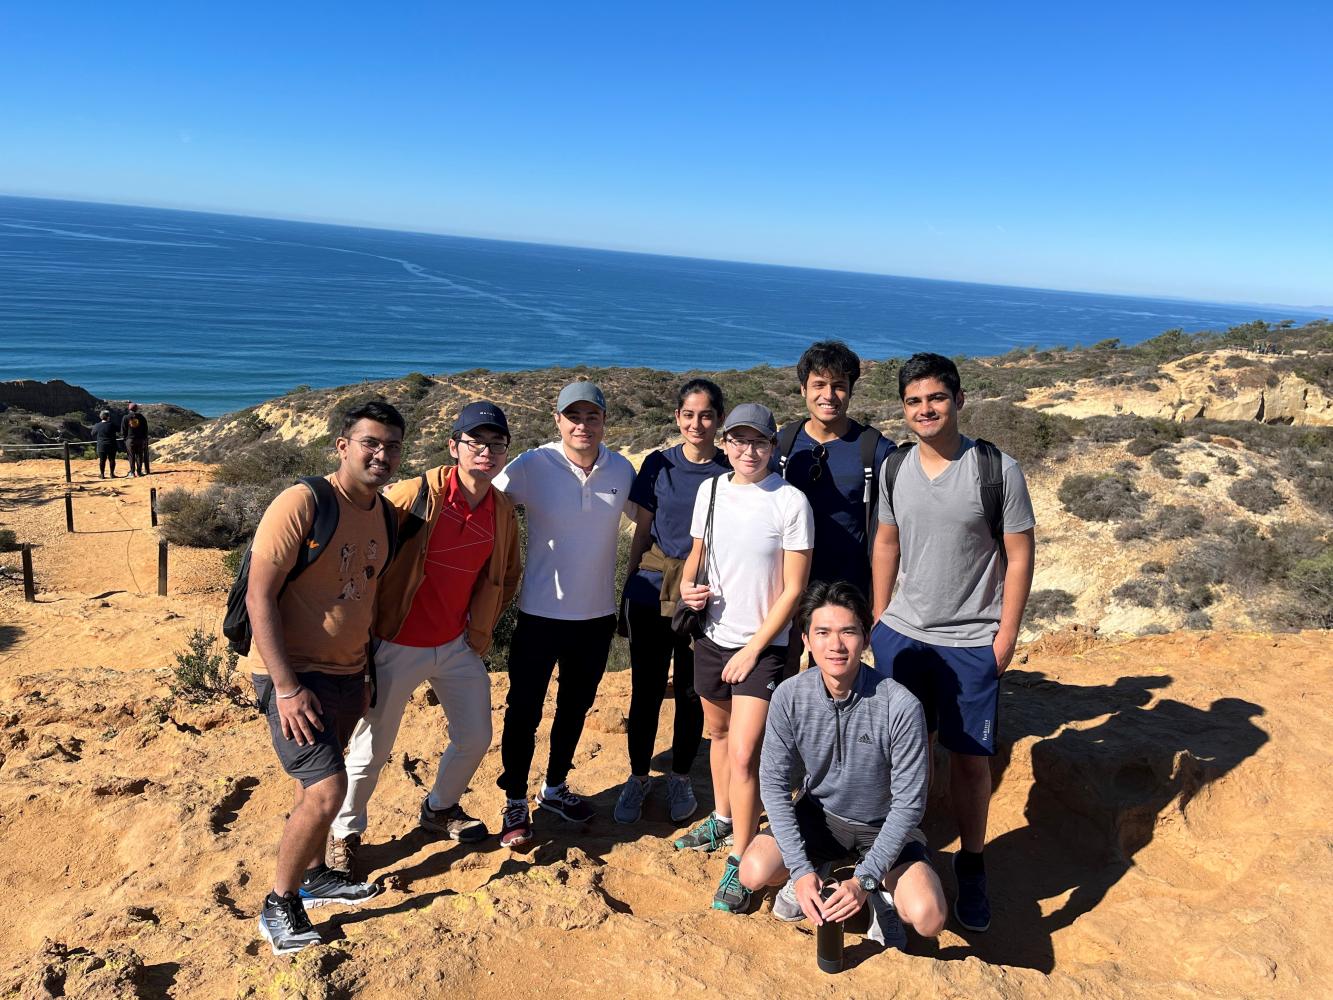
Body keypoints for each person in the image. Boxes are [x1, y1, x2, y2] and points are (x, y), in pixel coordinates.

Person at [869, 352, 1036, 934]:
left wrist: (1006, 635)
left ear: (959, 400)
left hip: (972, 642)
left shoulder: (996, 469)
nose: (925, 409)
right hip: (903, 639)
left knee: (970, 764)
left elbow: (1019, 556)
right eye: (913, 401)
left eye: (935, 398)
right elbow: (886, 544)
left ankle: (971, 864)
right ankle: (902, 856)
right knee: (901, 756)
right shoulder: (894, 468)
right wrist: (878, 620)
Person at [327, 401, 522, 875]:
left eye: (497, 445)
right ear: (454, 446)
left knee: (475, 737)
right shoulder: (417, 494)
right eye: (476, 442)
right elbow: (361, 539)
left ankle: (438, 809)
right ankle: (343, 832)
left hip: (457, 644)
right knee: (372, 747)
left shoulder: (500, 510)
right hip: (396, 641)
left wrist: (482, 629)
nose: (487, 453)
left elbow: (508, 574)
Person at [248, 400, 406, 955]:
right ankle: (278, 903)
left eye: (391, 446)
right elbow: (259, 595)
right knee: (327, 790)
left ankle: (314, 876)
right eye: (371, 443)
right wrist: (287, 688)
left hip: (345, 672)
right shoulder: (304, 501)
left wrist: (362, 672)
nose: (381, 455)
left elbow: (365, 598)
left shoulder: (383, 516)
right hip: (293, 674)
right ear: (343, 445)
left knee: (317, 780)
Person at [739, 581, 946, 948]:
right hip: (820, 817)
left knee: (928, 916)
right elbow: (772, 784)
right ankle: (814, 870)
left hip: (882, 826)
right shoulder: (789, 696)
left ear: (865, 638)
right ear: (805, 639)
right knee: (753, 872)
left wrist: (865, 880)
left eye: (848, 631)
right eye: (823, 632)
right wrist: (800, 871)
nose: (835, 645)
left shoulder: (899, 706)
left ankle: (880, 892)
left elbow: (910, 804)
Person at [674, 402, 813, 913]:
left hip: (765, 647)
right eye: (738, 440)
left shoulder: (790, 502)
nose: (747, 451)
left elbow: (794, 588)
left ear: (774, 446)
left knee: (745, 753)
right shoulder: (710, 490)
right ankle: (724, 818)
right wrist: (689, 585)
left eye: (758, 442)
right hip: (711, 638)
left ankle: (739, 855)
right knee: (718, 734)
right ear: (725, 444)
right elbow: (698, 552)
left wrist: (754, 649)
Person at [491, 381, 636, 847]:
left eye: (591, 416)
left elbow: (656, 519)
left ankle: (554, 788)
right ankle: (515, 799)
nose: (582, 425)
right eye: (572, 416)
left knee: (574, 708)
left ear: (603, 422)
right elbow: (486, 503)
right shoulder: (534, 465)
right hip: (539, 613)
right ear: (557, 421)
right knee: (524, 710)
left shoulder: (621, 469)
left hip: (596, 617)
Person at [613, 379, 728, 827]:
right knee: (645, 690)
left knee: (689, 692)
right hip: (652, 586)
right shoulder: (658, 465)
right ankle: (638, 777)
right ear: (678, 418)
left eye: (706, 415)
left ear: (718, 419)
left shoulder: (728, 470)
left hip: (702, 592)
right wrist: (626, 584)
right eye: (688, 414)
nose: (696, 423)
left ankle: (679, 776)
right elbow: (641, 531)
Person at [776, 340, 894, 675]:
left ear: (851, 390)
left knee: (834, 673)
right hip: (786, 583)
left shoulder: (875, 450)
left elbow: (894, 529)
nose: (829, 395)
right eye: (819, 385)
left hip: (847, 584)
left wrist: (880, 603)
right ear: (803, 390)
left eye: (839, 386)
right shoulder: (784, 444)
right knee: (779, 669)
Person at [120, 402, 150, 476]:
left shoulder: (125, 417)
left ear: (129, 409)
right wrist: (143, 438)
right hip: (140, 440)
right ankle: (139, 472)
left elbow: (123, 430)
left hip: (130, 440)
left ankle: (132, 472)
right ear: (136, 409)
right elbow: (145, 429)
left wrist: (125, 439)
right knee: (139, 456)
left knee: (131, 456)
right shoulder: (142, 417)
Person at [91, 409, 118, 479]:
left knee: (102, 460)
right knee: (112, 460)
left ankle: (102, 475)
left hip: (101, 445)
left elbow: (92, 434)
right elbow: (118, 430)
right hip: (111, 444)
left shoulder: (97, 425)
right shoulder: (112, 425)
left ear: (101, 417)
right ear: (108, 417)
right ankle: (112, 474)